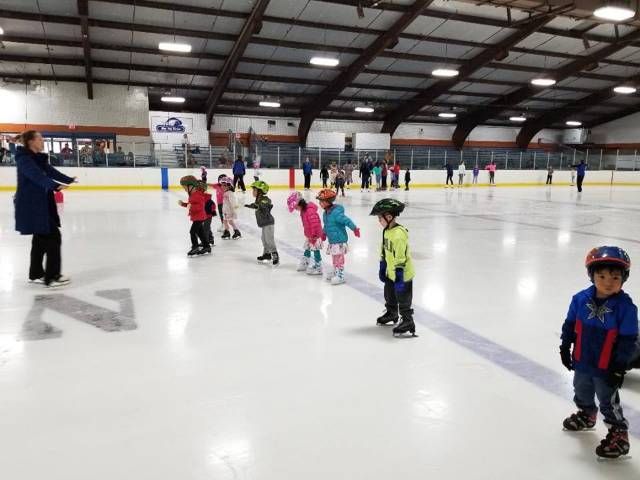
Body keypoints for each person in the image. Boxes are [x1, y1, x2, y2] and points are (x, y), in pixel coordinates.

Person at [560, 246, 638, 459]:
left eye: (615, 277)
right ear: (591, 276)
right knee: (581, 389)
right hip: (583, 360)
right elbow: (569, 325)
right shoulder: (580, 299)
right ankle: (587, 414)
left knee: (607, 399)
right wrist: (565, 347)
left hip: (607, 366)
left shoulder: (626, 308)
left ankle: (619, 434)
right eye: (601, 276)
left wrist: (619, 366)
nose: (608, 282)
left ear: (623, 279)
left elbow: (628, 341)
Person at [14, 130, 76, 287]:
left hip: (41, 204)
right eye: (40, 139)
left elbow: (50, 171)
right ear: (31, 142)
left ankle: (36, 274)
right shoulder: (24, 159)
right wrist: (56, 186)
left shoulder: (38, 159)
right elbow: (37, 176)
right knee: (53, 236)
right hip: (31, 206)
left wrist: (68, 179)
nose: (43, 141)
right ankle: (52, 276)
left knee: (40, 240)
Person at [370, 199, 416, 338]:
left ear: (389, 217)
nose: (379, 221)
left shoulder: (399, 234)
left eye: (380, 217)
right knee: (389, 294)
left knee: (403, 298)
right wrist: (382, 265)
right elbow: (384, 249)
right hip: (391, 271)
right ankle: (392, 313)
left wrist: (400, 275)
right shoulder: (387, 230)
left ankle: (408, 321)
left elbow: (401, 256)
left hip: (402, 274)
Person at [317, 189, 360, 285]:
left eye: (322, 201)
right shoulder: (325, 214)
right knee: (334, 256)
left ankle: (340, 275)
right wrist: (324, 233)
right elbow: (327, 225)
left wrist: (354, 229)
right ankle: (335, 270)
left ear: (328, 202)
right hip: (332, 240)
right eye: (319, 201)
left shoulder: (336, 213)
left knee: (339, 258)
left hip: (339, 239)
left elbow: (347, 221)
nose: (320, 203)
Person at [287, 191, 323, 276]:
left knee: (315, 250)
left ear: (300, 204)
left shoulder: (309, 211)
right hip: (310, 234)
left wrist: (314, 235)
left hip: (314, 235)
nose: (295, 209)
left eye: (296, 207)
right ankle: (305, 263)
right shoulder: (303, 211)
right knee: (307, 248)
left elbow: (315, 223)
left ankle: (318, 267)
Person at [245, 180, 279, 266]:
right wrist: (251, 205)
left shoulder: (265, 199)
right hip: (264, 223)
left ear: (260, 191)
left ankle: (275, 255)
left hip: (269, 223)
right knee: (264, 239)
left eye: (254, 190)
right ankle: (267, 254)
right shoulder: (258, 200)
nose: (253, 192)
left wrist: (259, 205)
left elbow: (266, 203)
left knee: (269, 240)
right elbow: (257, 205)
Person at [178, 175, 210, 257]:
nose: (184, 189)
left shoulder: (197, 195)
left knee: (192, 232)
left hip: (199, 217)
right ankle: (207, 247)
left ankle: (195, 247)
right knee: (200, 233)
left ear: (191, 186)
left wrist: (191, 207)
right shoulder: (192, 195)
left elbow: (200, 206)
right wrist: (183, 204)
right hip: (197, 217)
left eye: (185, 187)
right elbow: (190, 205)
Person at [201, 181, 216, 247]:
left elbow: (212, 204)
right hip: (203, 215)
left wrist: (213, 211)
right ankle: (210, 239)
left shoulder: (206, 196)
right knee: (207, 228)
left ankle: (205, 242)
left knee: (205, 229)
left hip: (208, 215)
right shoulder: (201, 196)